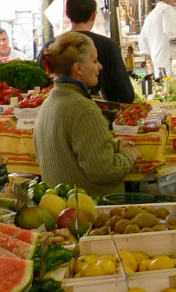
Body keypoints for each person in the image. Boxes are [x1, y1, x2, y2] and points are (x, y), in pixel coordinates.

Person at [34, 32, 141, 197]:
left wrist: (113, 145)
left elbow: (74, 150)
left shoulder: (48, 104)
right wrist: (129, 156)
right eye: (95, 61)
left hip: (62, 207)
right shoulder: (84, 109)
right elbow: (104, 171)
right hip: (93, 212)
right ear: (78, 68)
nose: (100, 67)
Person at [60, 0, 134, 103]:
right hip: (100, 112)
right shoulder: (107, 45)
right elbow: (124, 93)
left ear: (67, 14)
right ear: (94, 15)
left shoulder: (54, 46)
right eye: (94, 61)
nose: (99, 67)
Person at [138, 0, 176, 77]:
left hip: (157, 60)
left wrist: (151, 59)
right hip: (168, 60)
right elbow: (173, 35)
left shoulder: (152, 14)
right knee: (172, 88)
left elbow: (142, 38)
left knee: (162, 88)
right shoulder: (168, 9)